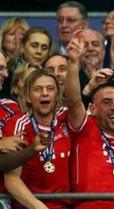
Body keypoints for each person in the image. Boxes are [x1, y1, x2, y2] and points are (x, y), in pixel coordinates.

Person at [65, 29, 114, 209]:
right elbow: (73, 100)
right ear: (92, 109)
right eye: (107, 102)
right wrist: (73, 62)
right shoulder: (85, 129)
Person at [3, 68, 71, 209]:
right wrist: (39, 207)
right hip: (30, 206)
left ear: (57, 95)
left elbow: (78, 104)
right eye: (38, 89)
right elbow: (11, 179)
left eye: (50, 89)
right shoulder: (18, 124)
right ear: (28, 97)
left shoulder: (68, 118)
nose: (45, 93)